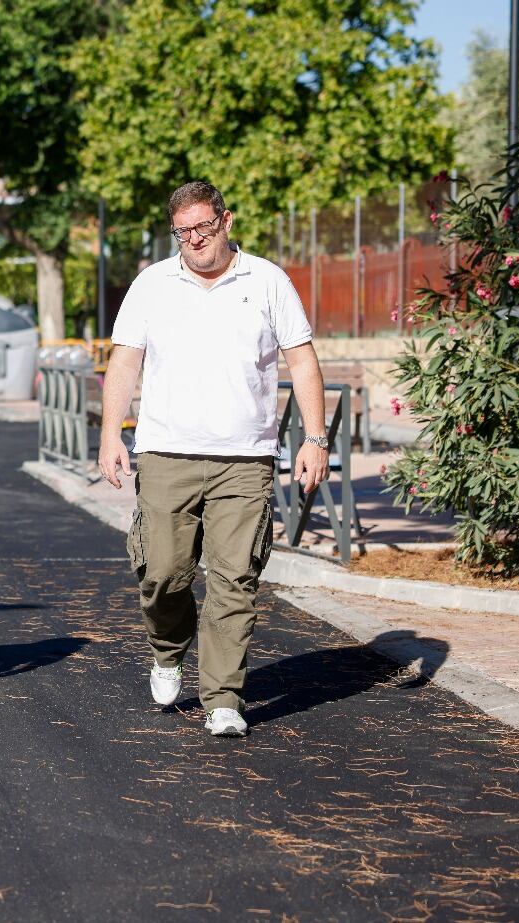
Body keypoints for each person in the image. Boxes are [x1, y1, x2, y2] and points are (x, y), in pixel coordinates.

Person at [98, 180, 328, 738]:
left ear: (226, 221)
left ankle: (223, 696)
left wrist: (314, 438)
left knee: (235, 577)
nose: (194, 241)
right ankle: (168, 650)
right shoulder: (152, 284)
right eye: (182, 233)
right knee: (163, 573)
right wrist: (110, 435)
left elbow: (301, 361)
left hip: (243, 459)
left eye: (203, 227)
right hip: (165, 453)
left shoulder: (267, 280)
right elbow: (125, 363)